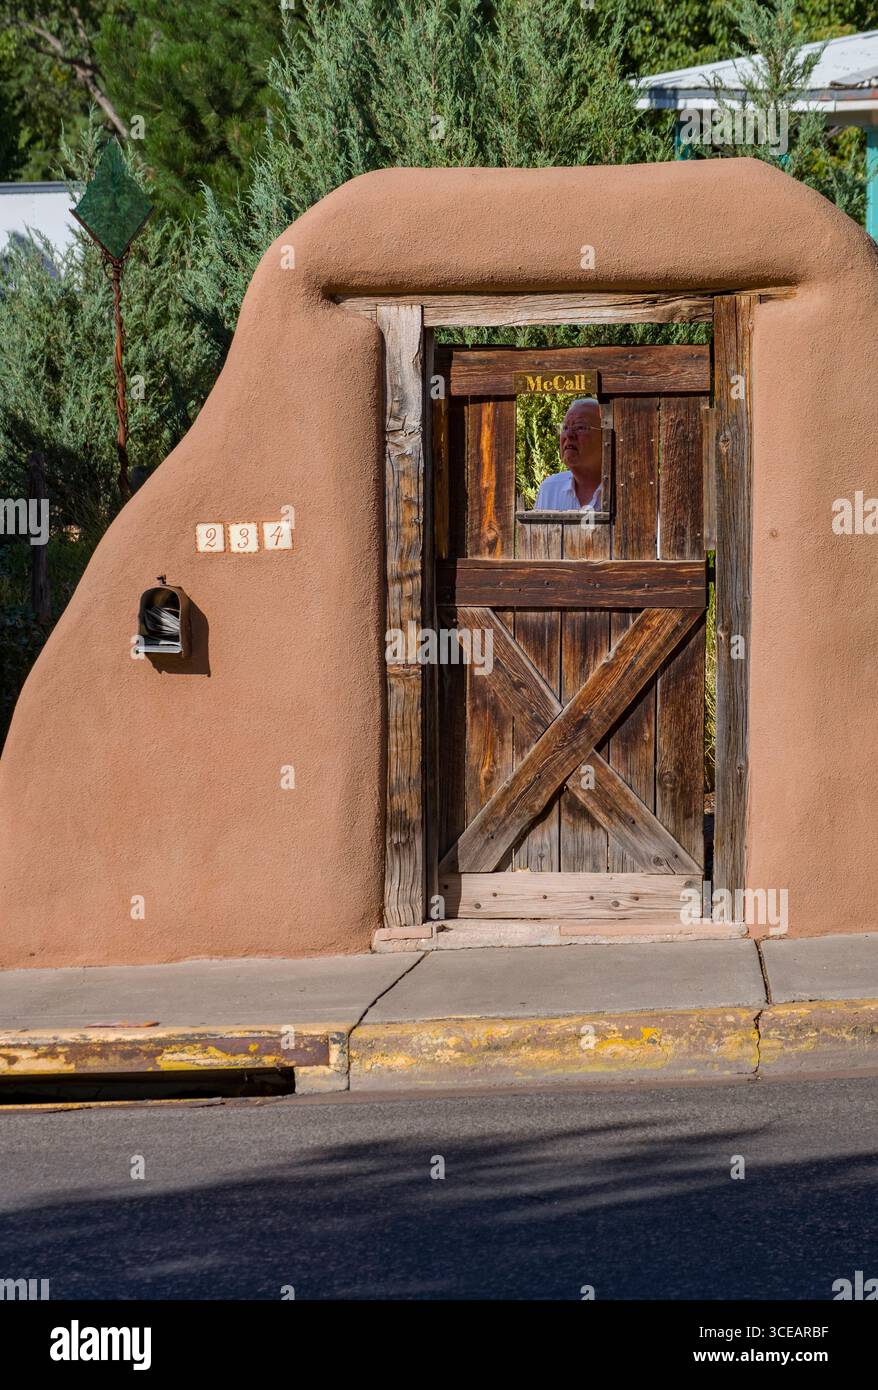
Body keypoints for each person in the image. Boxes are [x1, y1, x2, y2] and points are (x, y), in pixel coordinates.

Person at [533, 396, 603, 511]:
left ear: (605, 437)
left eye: (580, 427)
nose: (569, 434)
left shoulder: (626, 490)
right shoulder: (550, 489)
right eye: (565, 428)